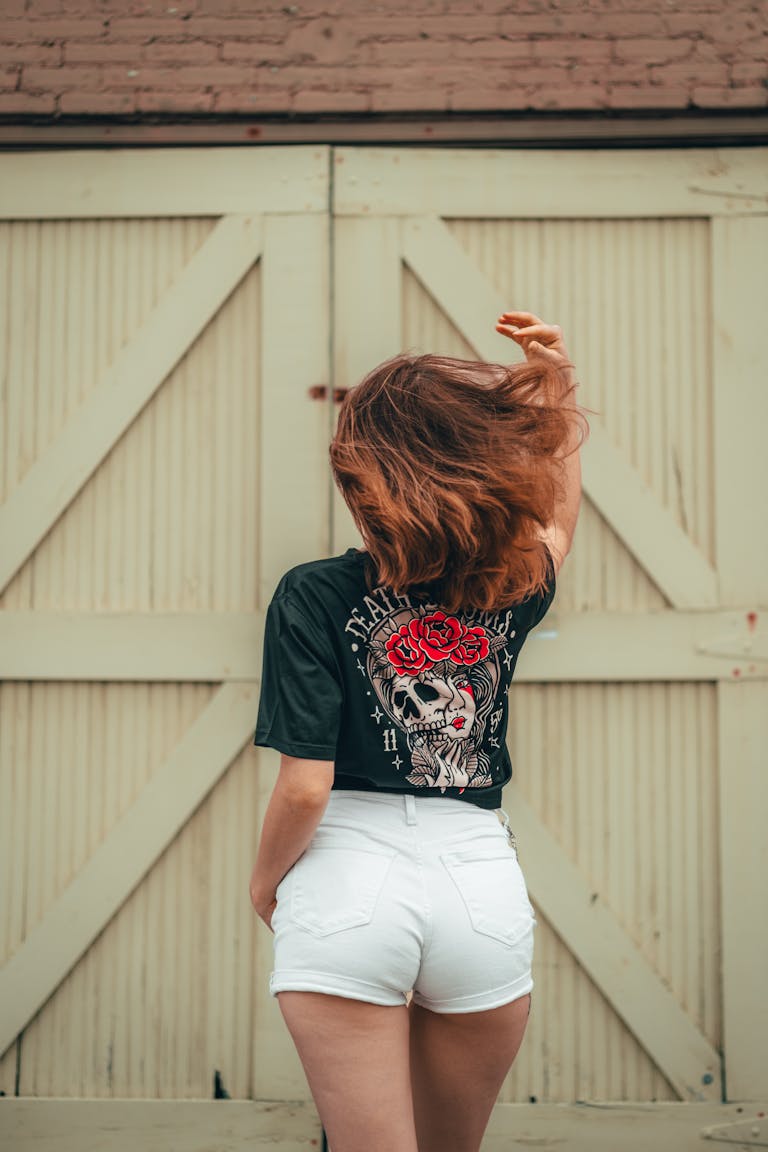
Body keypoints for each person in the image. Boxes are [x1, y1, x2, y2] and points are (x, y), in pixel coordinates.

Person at [249, 310, 586, 1152]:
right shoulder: (511, 585)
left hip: (346, 884)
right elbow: (559, 518)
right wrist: (556, 385)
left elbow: (305, 784)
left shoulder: (313, 595)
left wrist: (266, 884)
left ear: (366, 480)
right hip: (480, 888)